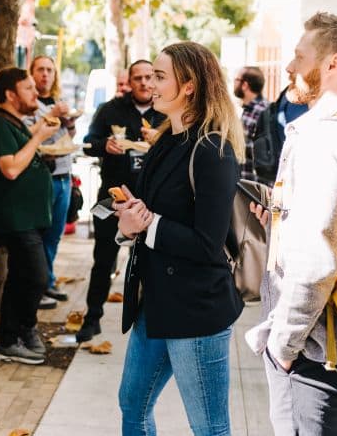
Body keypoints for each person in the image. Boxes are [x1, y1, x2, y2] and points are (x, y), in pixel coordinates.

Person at [245, 12, 337, 435]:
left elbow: (317, 261)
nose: (289, 67)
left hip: (319, 352)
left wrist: (283, 346)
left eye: (298, 56)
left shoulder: (324, 139)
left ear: (333, 65)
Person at [113, 41, 245, 435]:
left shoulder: (213, 150)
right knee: (132, 406)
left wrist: (148, 224)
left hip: (196, 310)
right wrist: (127, 228)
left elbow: (209, 243)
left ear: (188, 85)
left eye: (159, 76)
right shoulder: (166, 140)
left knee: (209, 428)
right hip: (154, 303)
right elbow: (150, 215)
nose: (149, 84)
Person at [78, 60, 165, 342]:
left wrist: (159, 141)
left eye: (149, 77)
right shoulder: (111, 110)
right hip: (111, 201)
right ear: (129, 81)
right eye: (137, 78)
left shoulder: (166, 111)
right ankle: (92, 318)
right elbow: (88, 143)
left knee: (151, 264)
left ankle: (151, 321)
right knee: (103, 260)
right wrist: (104, 145)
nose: (143, 83)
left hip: (151, 203)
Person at [0, 67, 60, 364]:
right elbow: (11, 168)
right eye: (28, 88)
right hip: (16, 220)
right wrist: (38, 136)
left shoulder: (14, 123)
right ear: (10, 95)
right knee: (37, 278)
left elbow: (24, 156)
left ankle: (11, 338)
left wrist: (38, 135)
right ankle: (23, 331)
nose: (36, 93)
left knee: (20, 278)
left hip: (31, 218)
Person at [25, 55, 78, 308]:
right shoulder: (30, 104)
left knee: (55, 234)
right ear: (32, 74)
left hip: (64, 174)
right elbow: (27, 135)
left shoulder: (59, 101)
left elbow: (65, 136)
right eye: (40, 70)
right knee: (40, 235)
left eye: (50, 70)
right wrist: (53, 114)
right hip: (42, 176)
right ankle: (40, 284)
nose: (45, 74)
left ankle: (47, 280)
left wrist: (69, 123)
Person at [234, 66, 269, 181]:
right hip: (243, 186)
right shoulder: (247, 109)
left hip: (253, 191)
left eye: (236, 80)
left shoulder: (262, 111)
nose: (234, 83)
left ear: (245, 85)